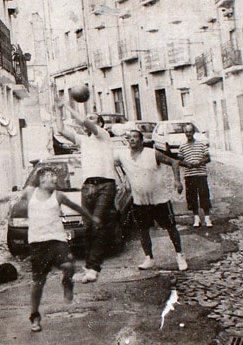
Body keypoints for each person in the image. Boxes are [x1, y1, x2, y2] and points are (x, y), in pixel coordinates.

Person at [23, 166, 96, 332]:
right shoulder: (30, 193)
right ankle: (34, 315)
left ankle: (66, 282)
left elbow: (76, 207)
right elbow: (13, 198)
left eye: (56, 177)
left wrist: (91, 218)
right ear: (42, 179)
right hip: (37, 243)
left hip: (57, 240)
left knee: (70, 265)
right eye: (52, 177)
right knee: (38, 282)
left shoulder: (58, 196)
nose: (55, 180)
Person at [58, 101, 118, 283]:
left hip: (105, 185)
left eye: (93, 118)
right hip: (87, 186)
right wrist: (58, 108)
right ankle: (88, 265)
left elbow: (84, 122)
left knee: (98, 225)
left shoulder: (104, 136)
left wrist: (68, 107)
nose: (89, 121)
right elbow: (60, 130)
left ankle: (94, 268)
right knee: (88, 227)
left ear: (99, 124)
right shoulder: (84, 140)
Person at [113, 129, 188, 271]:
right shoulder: (122, 155)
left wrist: (177, 181)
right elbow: (106, 161)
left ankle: (179, 255)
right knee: (143, 230)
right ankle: (149, 258)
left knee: (171, 228)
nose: (132, 139)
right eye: (129, 137)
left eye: (135, 137)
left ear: (141, 140)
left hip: (160, 199)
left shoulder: (152, 153)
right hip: (140, 201)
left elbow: (174, 162)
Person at [178, 123, 213, 228]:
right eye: (186, 132)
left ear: (193, 132)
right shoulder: (182, 147)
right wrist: (187, 164)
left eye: (190, 131)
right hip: (189, 175)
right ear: (185, 133)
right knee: (192, 197)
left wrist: (200, 162)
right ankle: (196, 218)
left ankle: (207, 218)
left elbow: (208, 158)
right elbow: (180, 161)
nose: (188, 134)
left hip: (201, 174)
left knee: (204, 195)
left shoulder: (201, 145)